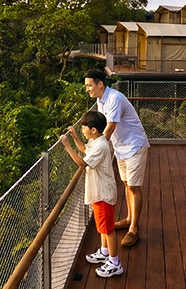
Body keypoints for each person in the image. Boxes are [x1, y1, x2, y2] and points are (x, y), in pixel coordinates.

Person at [83, 69, 149, 248]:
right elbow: (101, 128)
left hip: (134, 145)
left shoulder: (114, 99)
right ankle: (128, 219)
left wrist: (93, 152)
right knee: (127, 185)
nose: (87, 89)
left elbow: (109, 129)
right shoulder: (100, 100)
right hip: (121, 147)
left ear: (100, 84)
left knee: (134, 187)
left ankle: (134, 229)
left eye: (89, 85)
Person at [60, 110, 123, 278]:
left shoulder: (101, 146)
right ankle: (104, 252)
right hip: (99, 192)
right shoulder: (97, 141)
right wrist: (75, 137)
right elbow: (84, 149)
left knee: (108, 229)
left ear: (93, 130)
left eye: (84, 128)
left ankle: (115, 263)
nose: (82, 130)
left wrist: (67, 145)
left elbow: (82, 163)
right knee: (102, 226)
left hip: (103, 193)